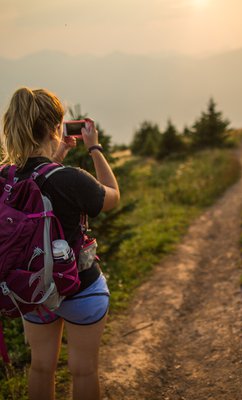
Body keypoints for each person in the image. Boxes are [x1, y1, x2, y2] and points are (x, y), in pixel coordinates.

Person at [0, 87, 120, 400]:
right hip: (80, 287)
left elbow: (38, 178)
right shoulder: (70, 179)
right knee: (83, 370)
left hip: (33, 289)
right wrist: (94, 149)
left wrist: (57, 155)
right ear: (56, 127)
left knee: (41, 368)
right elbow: (112, 197)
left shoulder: (6, 177)